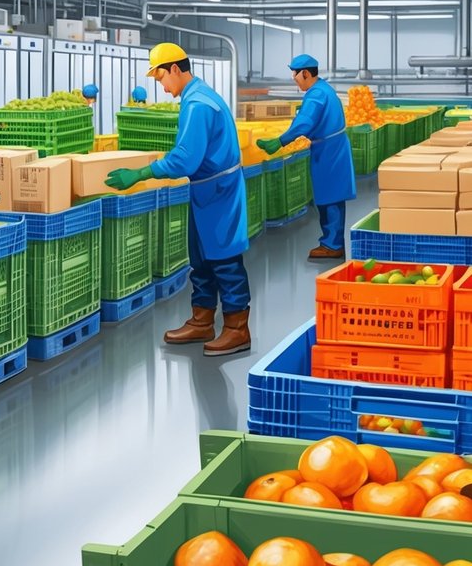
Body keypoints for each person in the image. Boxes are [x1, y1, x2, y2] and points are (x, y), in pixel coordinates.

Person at [104, 43, 252, 356]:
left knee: (224, 259)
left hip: (219, 192)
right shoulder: (194, 97)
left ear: (174, 69)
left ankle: (238, 329)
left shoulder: (198, 104)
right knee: (200, 258)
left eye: (161, 79)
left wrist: (142, 172)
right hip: (205, 189)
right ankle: (202, 321)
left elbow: (185, 160)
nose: (162, 87)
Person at [256, 54, 356, 261]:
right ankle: (332, 242)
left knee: (330, 198)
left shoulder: (316, 95)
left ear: (306, 73)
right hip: (330, 148)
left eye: (295, 73)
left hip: (329, 151)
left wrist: (280, 141)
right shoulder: (322, 90)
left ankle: (332, 245)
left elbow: (304, 122)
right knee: (332, 196)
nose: (293, 78)